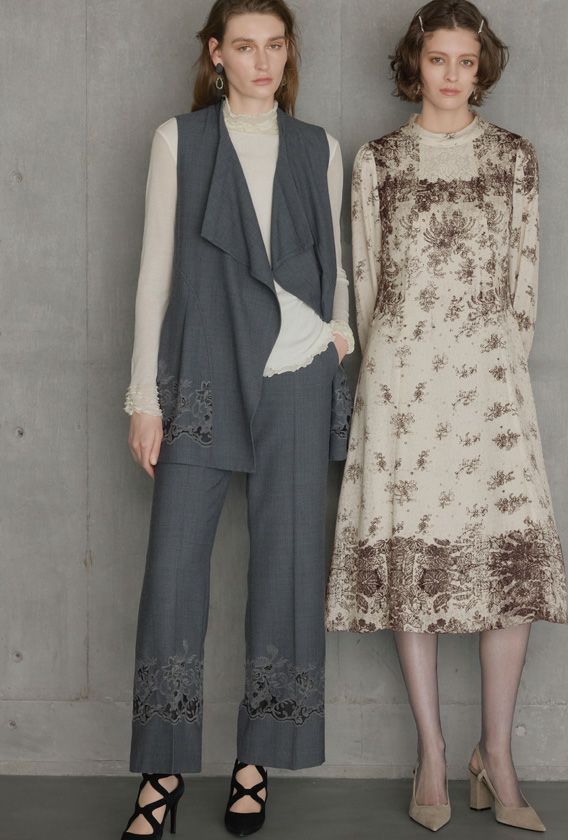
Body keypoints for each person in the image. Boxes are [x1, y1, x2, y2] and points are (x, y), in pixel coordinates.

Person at [325, 0, 568, 832]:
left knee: (509, 571)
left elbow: (524, 282)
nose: (453, 75)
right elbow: (366, 281)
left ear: (482, 66)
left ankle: (496, 754)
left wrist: (493, 368)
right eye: (438, 60)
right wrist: (391, 370)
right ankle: (431, 754)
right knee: (415, 569)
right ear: (415, 64)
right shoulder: (379, 161)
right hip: (402, 387)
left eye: (466, 61)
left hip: (491, 385)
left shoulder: (514, 158)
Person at [120, 1, 354, 836]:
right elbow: (155, 272)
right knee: (174, 574)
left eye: (275, 45)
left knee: (287, 569)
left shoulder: (319, 146)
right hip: (204, 375)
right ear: (216, 54)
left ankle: (257, 761)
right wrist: (144, 396)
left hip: (295, 375)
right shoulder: (179, 141)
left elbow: (335, 265)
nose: (263, 60)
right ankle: (163, 773)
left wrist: (338, 338)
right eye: (245, 46)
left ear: (288, 53)